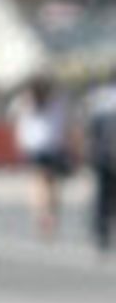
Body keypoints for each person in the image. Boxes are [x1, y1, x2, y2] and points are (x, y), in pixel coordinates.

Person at [10, 75, 75, 240]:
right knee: (48, 183)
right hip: (50, 147)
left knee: (40, 183)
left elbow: (13, 117)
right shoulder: (56, 102)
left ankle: (43, 214)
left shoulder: (27, 101)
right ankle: (48, 214)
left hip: (38, 147)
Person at [83, 72, 116, 253]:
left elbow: (90, 129)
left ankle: (101, 231)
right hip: (106, 153)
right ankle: (102, 230)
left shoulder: (99, 98)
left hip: (101, 154)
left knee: (102, 196)